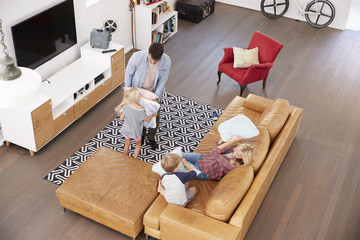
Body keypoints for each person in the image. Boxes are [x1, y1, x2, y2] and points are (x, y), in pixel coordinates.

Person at [124, 43, 171, 150]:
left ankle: (151, 137)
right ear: (148, 53)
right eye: (151, 60)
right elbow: (128, 74)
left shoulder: (166, 61)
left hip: (153, 93)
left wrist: (156, 96)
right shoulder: (137, 57)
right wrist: (129, 91)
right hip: (138, 91)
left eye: (156, 61)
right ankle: (142, 134)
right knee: (139, 115)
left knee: (155, 116)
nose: (153, 62)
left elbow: (163, 80)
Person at [182, 136, 254, 181]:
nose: (234, 153)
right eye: (236, 150)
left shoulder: (233, 166)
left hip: (203, 171)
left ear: (243, 159)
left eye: (237, 154)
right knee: (175, 155)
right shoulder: (234, 149)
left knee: (174, 161)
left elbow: (214, 153)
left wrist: (231, 141)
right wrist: (221, 142)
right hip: (203, 158)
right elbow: (219, 151)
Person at [115, 88, 157, 159]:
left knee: (127, 144)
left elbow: (121, 118)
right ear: (135, 98)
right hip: (136, 131)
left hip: (126, 129)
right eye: (139, 95)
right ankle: (135, 160)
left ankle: (125, 158)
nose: (140, 96)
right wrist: (153, 115)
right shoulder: (141, 109)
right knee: (138, 144)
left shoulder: (126, 106)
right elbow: (146, 120)